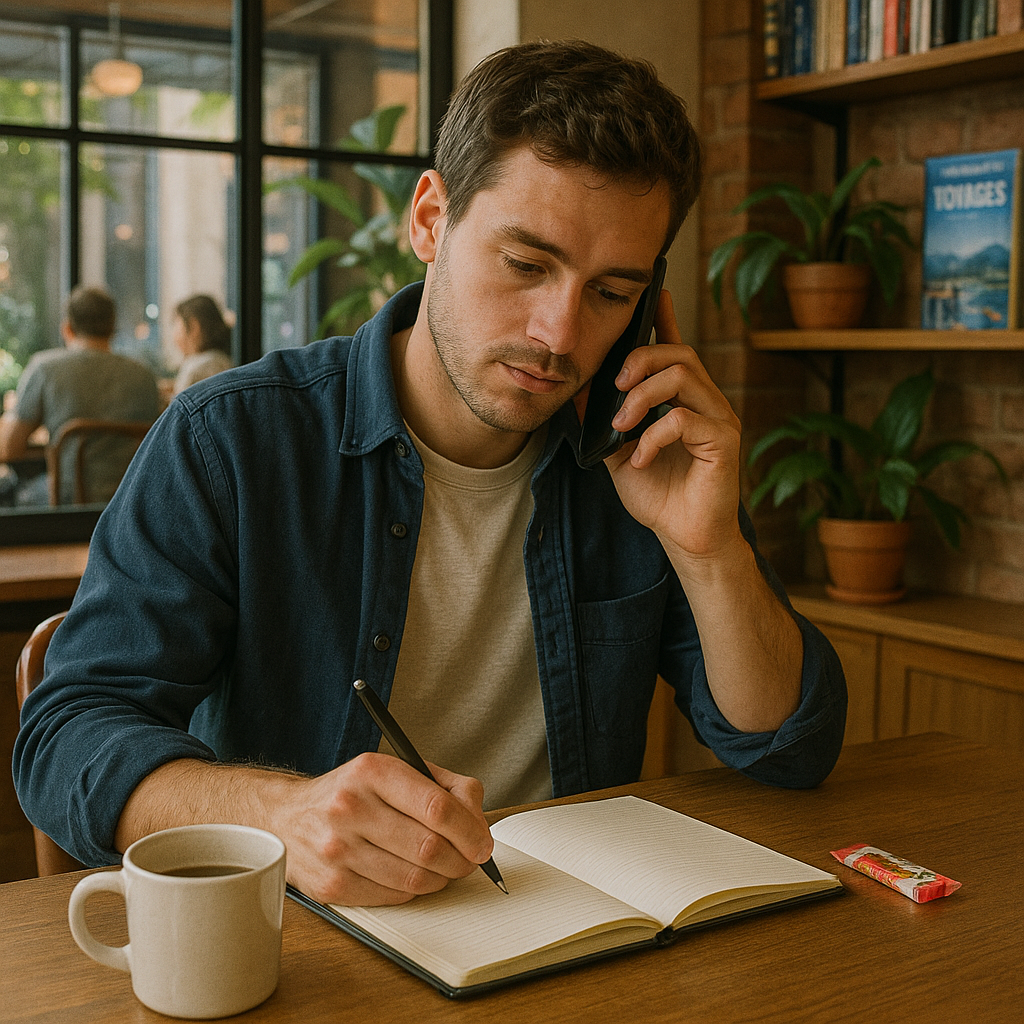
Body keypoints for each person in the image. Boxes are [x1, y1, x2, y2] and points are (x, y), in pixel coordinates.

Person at [14, 41, 847, 908]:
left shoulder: (640, 455)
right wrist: (284, 816)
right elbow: (65, 740)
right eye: (526, 265)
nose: (559, 334)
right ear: (429, 218)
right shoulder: (232, 441)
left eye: (611, 292)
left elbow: (788, 748)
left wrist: (710, 551)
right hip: (311, 947)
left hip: (574, 940)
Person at [0, 285, 160, 505]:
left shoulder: (45, 369)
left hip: (66, 503)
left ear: (67, 328)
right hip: (129, 502)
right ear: (112, 327)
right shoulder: (144, 376)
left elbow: (8, 449)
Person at [168, 294, 233, 397]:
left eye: (176, 325)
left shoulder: (197, 367)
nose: (173, 336)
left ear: (194, 327)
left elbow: (179, 410)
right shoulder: (221, 360)